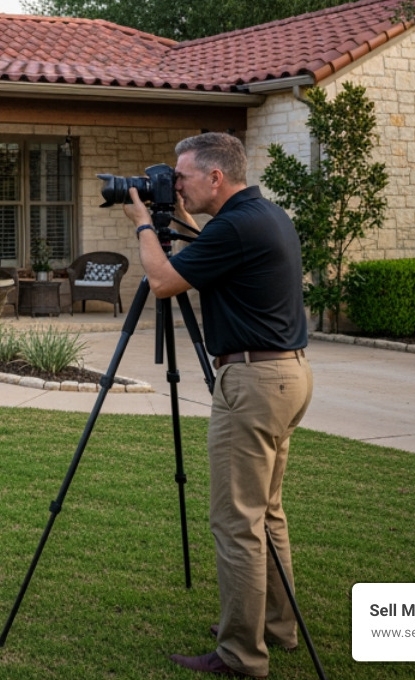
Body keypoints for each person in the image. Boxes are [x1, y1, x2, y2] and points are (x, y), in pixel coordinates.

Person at [123, 132, 312, 679]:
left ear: (215, 178)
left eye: (181, 176)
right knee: (266, 512)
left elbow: (161, 281)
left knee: (236, 522)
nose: (172, 185)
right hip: (288, 375)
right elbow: (218, 254)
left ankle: (241, 654)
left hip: (253, 382)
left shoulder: (235, 225)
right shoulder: (265, 215)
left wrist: (142, 222)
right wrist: (177, 219)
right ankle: (276, 626)